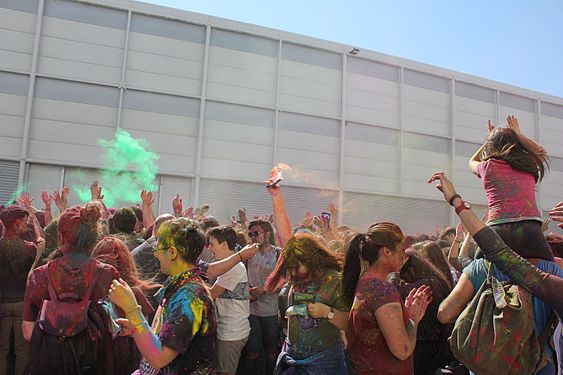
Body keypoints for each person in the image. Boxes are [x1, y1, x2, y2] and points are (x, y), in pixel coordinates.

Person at [429, 172, 563, 375]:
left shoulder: (480, 268)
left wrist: (457, 202)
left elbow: (445, 314)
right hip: (538, 367)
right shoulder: (552, 271)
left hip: (488, 366)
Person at [108, 217, 217, 374]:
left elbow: (158, 358)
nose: (156, 255)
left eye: (158, 249)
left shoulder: (189, 298)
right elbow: (169, 337)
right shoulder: (181, 286)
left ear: (172, 252)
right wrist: (136, 328)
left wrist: (132, 309)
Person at [23, 202, 119, 374]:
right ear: (95, 235)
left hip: (50, 365)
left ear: (60, 238)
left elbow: (28, 331)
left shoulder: (39, 276)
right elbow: (118, 328)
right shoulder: (107, 274)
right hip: (95, 365)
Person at [342, 222, 432, 375]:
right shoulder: (382, 290)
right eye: (402, 249)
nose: (405, 255)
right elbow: (402, 350)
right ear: (386, 251)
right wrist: (414, 319)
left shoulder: (364, 281)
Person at [468, 115, 552, 260]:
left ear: (490, 146)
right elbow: (542, 152)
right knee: (550, 270)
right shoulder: (528, 163)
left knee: (478, 268)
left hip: (499, 228)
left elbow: (472, 161)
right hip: (530, 228)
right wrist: (518, 134)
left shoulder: (487, 167)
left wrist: (488, 140)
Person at [264, 233, 350, 375]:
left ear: (311, 260)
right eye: (289, 268)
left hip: (323, 359)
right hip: (292, 354)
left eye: (295, 267)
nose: (292, 273)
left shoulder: (336, 281)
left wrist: (328, 312)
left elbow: (349, 323)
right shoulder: (299, 278)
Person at [92, 236, 157, 375]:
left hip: (97, 355)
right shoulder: (134, 292)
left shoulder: (89, 292)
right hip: (129, 359)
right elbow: (145, 329)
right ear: (127, 262)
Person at [389, 249, 453, 374]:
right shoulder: (435, 280)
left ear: (412, 270)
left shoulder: (426, 285)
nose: (405, 282)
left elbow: (391, 293)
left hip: (425, 344)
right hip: (436, 341)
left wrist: (395, 272)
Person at [0, 205, 42, 375]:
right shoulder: (29, 248)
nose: (26, 226)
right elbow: (41, 245)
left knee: (1, 349)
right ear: (16, 223)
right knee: (22, 349)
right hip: (21, 304)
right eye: (25, 222)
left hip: (2, 302)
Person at [207, 225, 250, 375]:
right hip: (228, 329)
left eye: (212, 244)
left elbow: (211, 294)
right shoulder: (228, 266)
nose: (210, 249)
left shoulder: (234, 267)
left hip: (232, 332)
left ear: (224, 244)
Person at [242, 219, 281, 375]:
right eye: (250, 233)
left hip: (271, 310)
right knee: (253, 351)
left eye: (256, 233)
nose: (253, 237)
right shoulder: (248, 253)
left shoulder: (278, 253)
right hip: (252, 310)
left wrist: (265, 289)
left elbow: (284, 280)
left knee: (271, 352)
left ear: (267, 234)